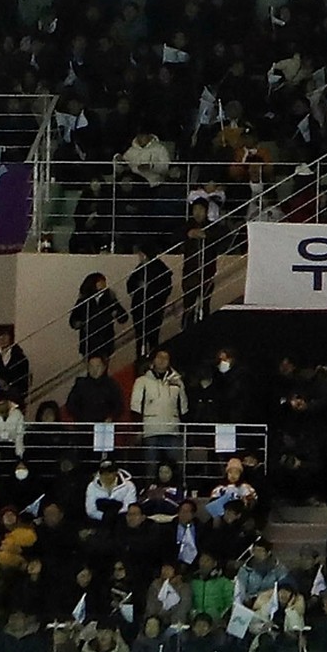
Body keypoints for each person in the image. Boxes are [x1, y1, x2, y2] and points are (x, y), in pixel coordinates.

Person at [130, 349, 188, 463]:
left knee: (174, 467)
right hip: (150, 431)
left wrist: (183, 429)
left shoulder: (178, 382)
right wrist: (137, 430)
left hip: (172, 431)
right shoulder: (142, 381)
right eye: (159, 357)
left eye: (165, 358)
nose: (162, 360)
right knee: (151, 467)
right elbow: (135, 406)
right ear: (153, 360)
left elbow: (184, 406)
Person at [125, 245, 173, 362]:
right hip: (141, 308)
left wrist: (150, 289)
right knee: (142, 337)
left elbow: (165, 289)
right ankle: (141, 362)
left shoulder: (160, 269)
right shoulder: (141, 268)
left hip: (153, 308)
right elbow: (130, 285)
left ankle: (151, 361)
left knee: (152, 337)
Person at [181, 198, 223, 328]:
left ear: (206, 211)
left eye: (201, 209)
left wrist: (206, 235)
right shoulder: (187, 226)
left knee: (205, 304)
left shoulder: (212, 226)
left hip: (207, 271)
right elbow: (174, 237)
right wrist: (189, 234)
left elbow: (221, 236)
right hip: (190, 272)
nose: (198, 212)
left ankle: (203, 330)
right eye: (195, 209)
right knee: (188, 305)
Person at [69, 273, 127, 360]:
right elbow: (73, 319)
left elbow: (123, 317)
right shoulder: (84, 301)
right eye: (100, 281)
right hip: (89, 342)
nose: (104, 284)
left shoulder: (109, 298)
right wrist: (79, 323)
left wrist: (117, 314)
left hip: (105, 339)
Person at [66, 354, 122, 423]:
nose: (94, 370)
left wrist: (111, 417)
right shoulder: (80, 384)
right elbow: (71, 405)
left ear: (104, 367)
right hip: (84, 426)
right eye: (91, 367)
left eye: (98, 366)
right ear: (88, 368)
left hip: (104, 426)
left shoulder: (111, 385)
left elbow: (119, 406)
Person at [0, 329, 29, 403]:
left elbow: (22, 373)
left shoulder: (18, 355)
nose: (2, 338)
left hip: (13, 386)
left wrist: (8, 383)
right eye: (0, 336)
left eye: (5, 335)